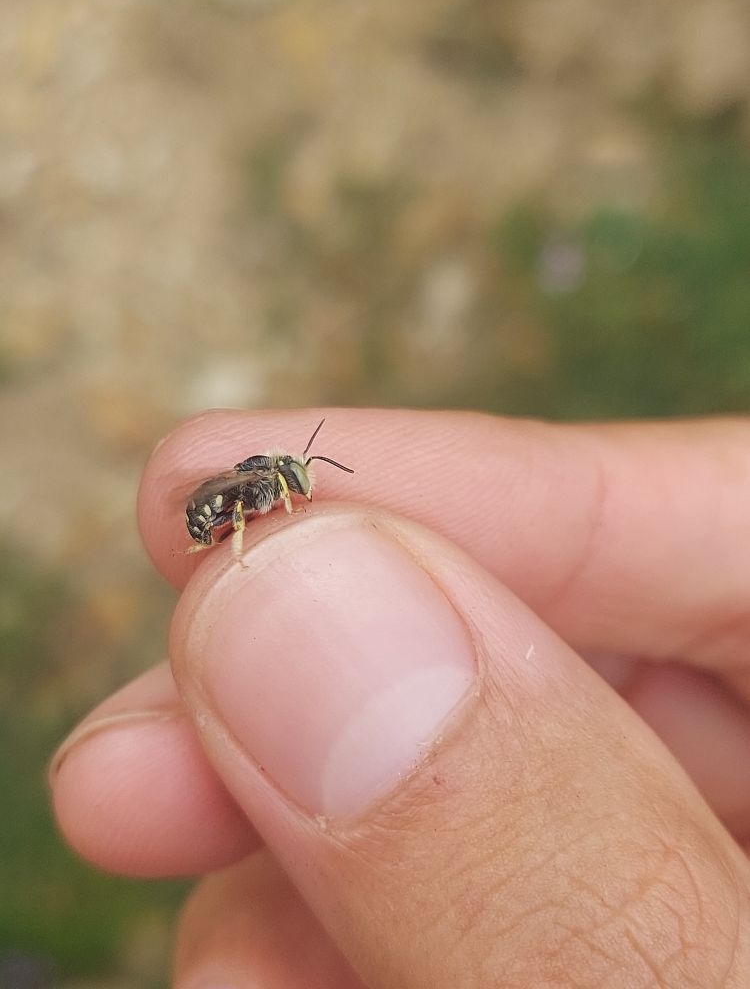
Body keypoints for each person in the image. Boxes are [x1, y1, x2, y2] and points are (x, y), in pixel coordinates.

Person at [51, 409, 750, 987]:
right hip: (216, 524)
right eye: (293, 482)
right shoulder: (251, 489)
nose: (295, 490)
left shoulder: (270, 483)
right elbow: (222, 500)